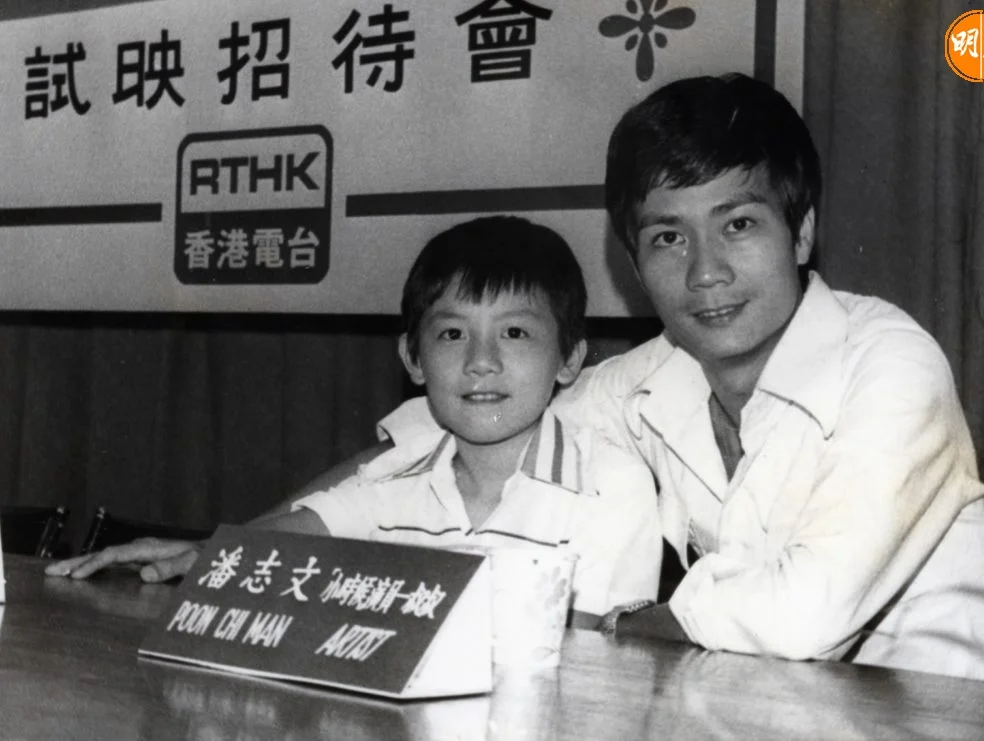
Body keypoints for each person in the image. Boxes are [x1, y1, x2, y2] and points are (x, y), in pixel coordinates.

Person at [334, 73, 984, 681]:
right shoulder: (650, 380)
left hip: (952, 716)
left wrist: (635, 625)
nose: (705, 272)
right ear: (635, 267)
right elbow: (489, 414)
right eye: (668, 237)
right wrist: (319, 508)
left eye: (738, 225)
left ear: (802, 233)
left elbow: (806, 613)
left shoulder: (890, 362)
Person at [49, 215, 663, 629]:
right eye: (452, 334)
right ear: (412, 359)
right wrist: (199, 552)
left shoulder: (612, 486)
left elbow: (592, 668)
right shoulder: (394, 478)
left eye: (516, 333)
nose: (482, 361)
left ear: (571, 358)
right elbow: (290, 535)